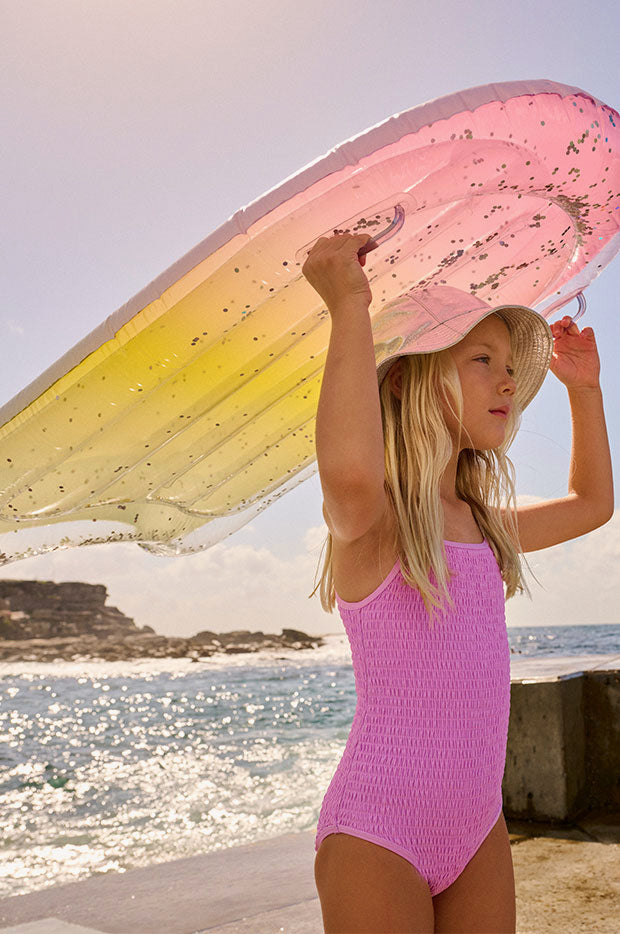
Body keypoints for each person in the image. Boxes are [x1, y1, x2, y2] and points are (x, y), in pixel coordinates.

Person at [301, 232, 613, 934]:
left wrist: (585, 392)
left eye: (511, 368)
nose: (508, 381)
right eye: (483, 360)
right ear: (412, 379)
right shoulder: (375, 520)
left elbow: (592, 505)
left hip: (476, 827)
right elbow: (349, 470)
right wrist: (349, 306)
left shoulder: (486, 524)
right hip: (378, 832)